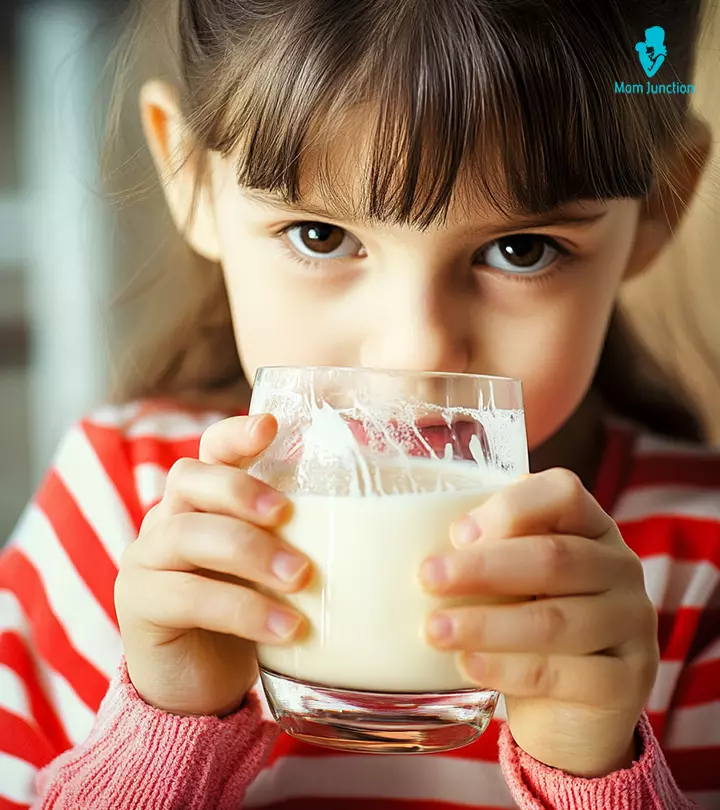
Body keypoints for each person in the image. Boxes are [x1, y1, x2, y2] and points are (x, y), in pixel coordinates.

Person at [1, 0, 718, 807]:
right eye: (320, 236)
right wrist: (162, 732)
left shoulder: (697, 567)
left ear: (660, 205)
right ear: (191, 178)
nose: (413, 355)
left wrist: (597, 771)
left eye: (521, 250)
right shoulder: (118, 513)